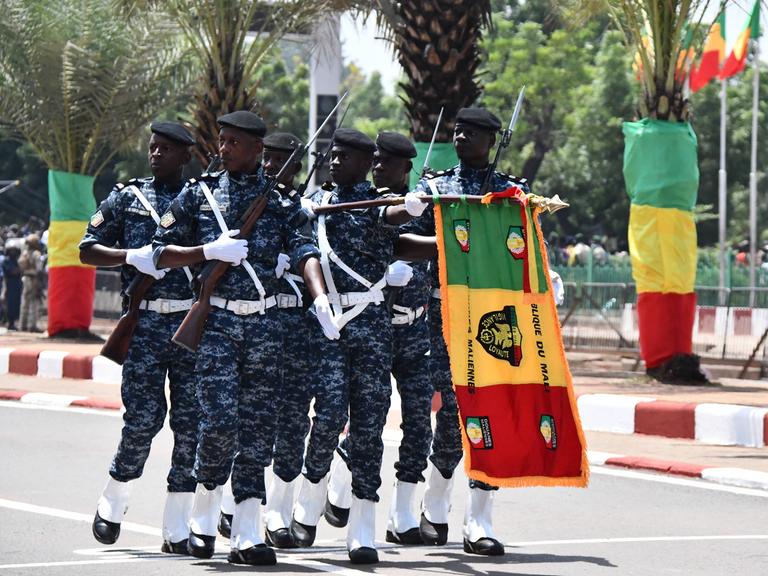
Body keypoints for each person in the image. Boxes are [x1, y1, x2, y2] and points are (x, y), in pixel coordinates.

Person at [152, 111, 337, 567]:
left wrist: (319, 299)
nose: (224, 148)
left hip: (264, 329)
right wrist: (207, 252)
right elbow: (158, 250)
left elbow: (305, 251)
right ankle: (202, 511)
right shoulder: (198, 195)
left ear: (258, 151)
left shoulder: (282, 203)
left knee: (257, 434)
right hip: (214, 326)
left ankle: (247, 532)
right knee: (217, 425)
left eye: (234, 142)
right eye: (222, 140)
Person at [289, 128, 426, 564]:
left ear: (365, 163)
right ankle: (310, 499)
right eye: (332, 154)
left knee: (369, 428)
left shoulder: (374, 204)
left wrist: (412, 206)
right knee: (328, 415)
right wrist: (319, 299)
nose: (334, 161)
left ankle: (362, 526)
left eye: (344, 156)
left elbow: (393, 219)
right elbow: (304, 249)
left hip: (370, 327)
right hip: (329, 325)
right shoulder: (318, 203)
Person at [409, 107, 530, 556]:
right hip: (446, 315)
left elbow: (528, 241)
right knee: (456, 410)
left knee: (490, 411)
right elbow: (405, 239)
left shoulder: (511, 191)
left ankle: (479, 519)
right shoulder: (436, 187)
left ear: (491, 140)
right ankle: (436, 500)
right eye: (457, 130)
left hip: (495, 316)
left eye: (471, 132)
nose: (460, 137)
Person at [80, 122, 200, 555]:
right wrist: (130, 257)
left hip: (191, 325)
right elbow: (87, 248)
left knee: (191, 426)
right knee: (143, 421)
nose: (156, 155)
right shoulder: (128, 197)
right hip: (145, 324)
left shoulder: (204, 201)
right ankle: (114, 500)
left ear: (186, 157)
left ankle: (177, 523)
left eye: (166, 149)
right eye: (152, 147)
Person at [324, 131, 432, 546]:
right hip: (374, 325)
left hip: (416, 328)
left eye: (389, 163)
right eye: (377, 161)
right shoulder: (368, 206)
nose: (380, 169)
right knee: (363, 415)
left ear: (407, 168)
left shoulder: (423, 207)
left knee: (419, 421)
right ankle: (337, 483)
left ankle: (403, 515)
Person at [19, 234, 44, 332]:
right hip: (33, 279)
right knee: (34, 303)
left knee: (24, 302)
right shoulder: (36, 254)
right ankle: (32, 326)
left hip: (25, 278)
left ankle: (22, 325)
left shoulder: (24, 253)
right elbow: (39, 269)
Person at [2, 244, 22, 330]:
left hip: (17, 284)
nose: (13, 252)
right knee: (9, 304)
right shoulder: (6, 261)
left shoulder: (17, 261)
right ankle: (10, 323)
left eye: (14, 250)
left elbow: (20, 271)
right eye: (11, 250)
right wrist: (17, 271)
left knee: (16, 303)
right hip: (9, 284)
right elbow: (11, 272)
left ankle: (13, 322)